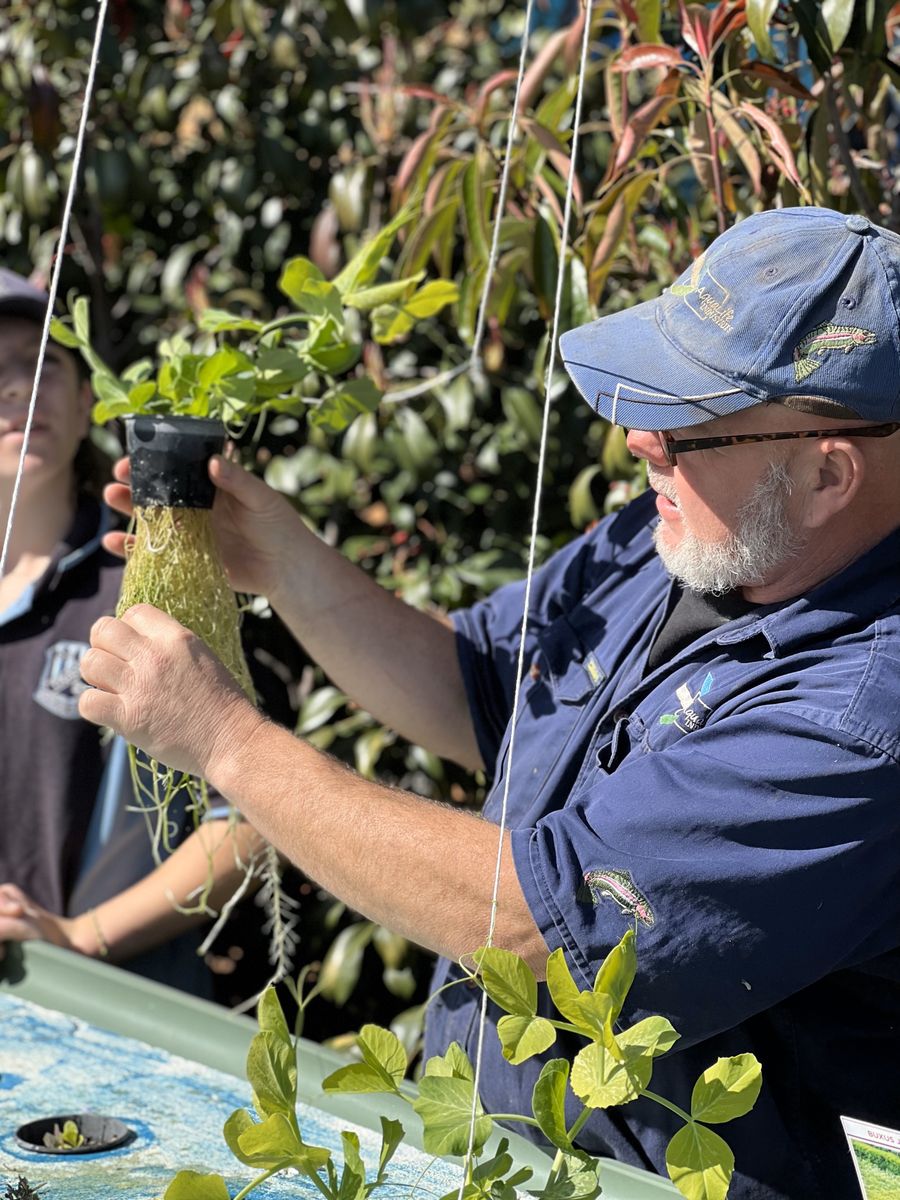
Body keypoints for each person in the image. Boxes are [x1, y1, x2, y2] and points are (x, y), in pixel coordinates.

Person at [78, 206, 900, 1199]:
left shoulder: (860, 715)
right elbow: (472, 688)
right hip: (497, 1160)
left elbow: (544, 935)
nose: (642, 440)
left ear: (827, 475)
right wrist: (287, 566)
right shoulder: (688, 540)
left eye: (689, 424)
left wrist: (225, 743)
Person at [0, 268, 265, 994]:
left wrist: (78, 941)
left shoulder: (142, 587)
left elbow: (248, 820)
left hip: (109, 1030)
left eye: (41, 366)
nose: (17, 389)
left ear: (90, 399)